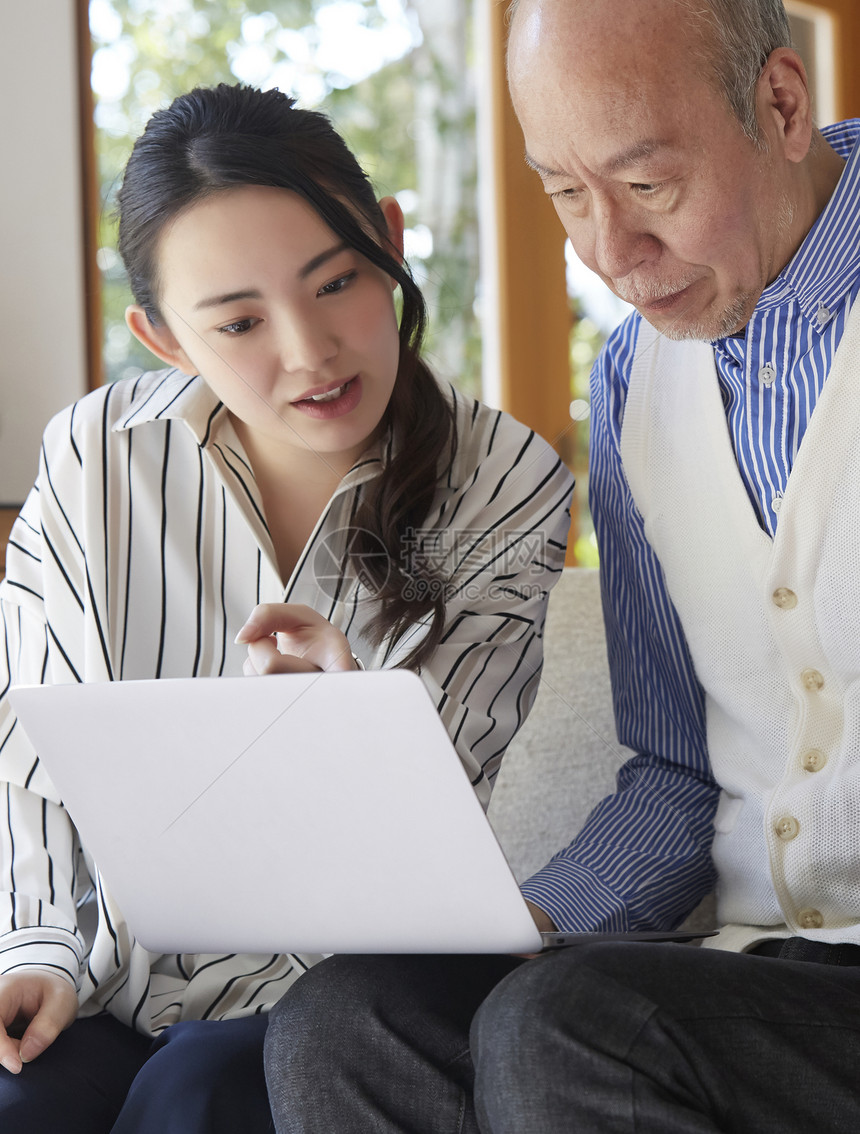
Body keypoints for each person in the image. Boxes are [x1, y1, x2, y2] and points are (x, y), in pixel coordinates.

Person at [262, 1, 860, 1131]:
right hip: (739, 971)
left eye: (645, 187)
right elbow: (677, 770)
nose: (604, 256)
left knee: (577, 1022)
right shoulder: (635, 378)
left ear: (780, 104)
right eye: (563, 193)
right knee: (348, 1018)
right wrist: (517, 923)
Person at [0, 82, 574, 1132]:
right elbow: (31, 740)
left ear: (390, 242)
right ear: (164, 338)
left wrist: (348, 722)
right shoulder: (95, 458)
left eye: (339, 281)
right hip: (106, 978)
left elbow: (429, 852)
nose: (309, 351)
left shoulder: (506, 483)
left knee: (196, 1098)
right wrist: (35, 949)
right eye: (238, 322)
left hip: (330, 998)